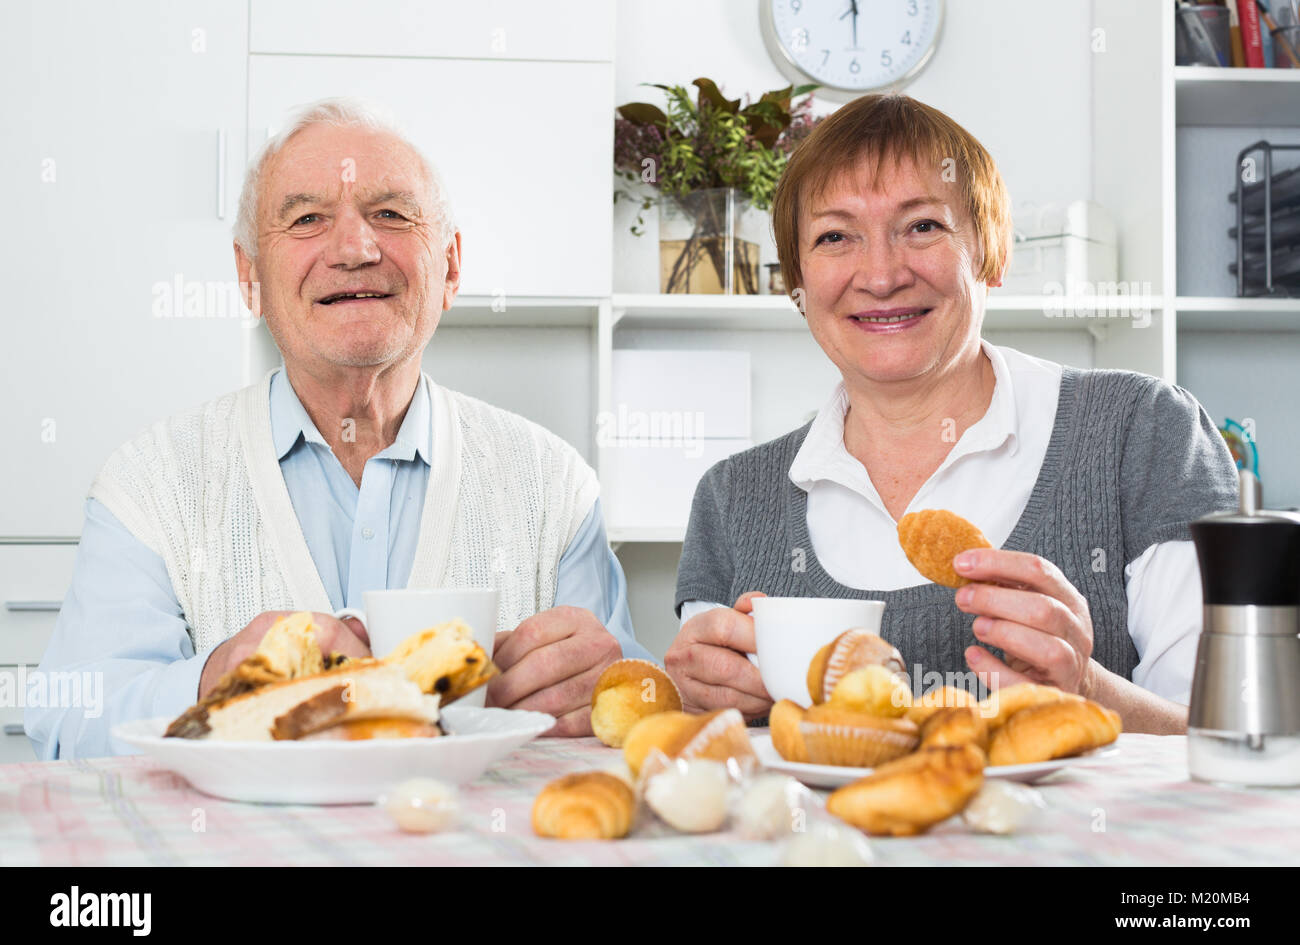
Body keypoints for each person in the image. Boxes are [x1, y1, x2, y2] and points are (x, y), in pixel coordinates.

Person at [27, 97, 648, 757]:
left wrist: (608, 693)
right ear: (249, 278)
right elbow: (67, 725)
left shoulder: (555, 488)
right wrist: (210, 685)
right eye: (306, 218)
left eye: (390, 213)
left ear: (452, 267)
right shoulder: (148, 485)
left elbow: (634, 710)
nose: (355, 247)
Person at [667, 93, 1236, 735]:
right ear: (795, 283)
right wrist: (696, 707)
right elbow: (717, 764)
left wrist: (1090, 691)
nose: (880, 276)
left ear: (991, 253)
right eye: (834, 236)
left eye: (922, 227)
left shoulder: (1143, 432)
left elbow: (1229, 745)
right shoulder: (731, 497)